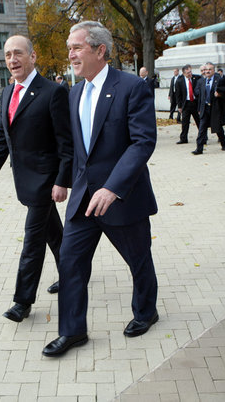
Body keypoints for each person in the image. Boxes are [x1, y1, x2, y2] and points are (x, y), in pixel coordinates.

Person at [42, 21, 159, 357]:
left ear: (100, 50)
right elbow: (76, 148)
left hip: (122, 198)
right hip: (82, 199)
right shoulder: (75, 92)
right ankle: (72, 331)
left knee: (138, 261)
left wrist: (113, 187)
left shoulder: (132, 87)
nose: (70, 54)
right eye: (69, 48)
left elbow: (142, 142)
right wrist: (63, 179)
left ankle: (146, 312)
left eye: (76, 47)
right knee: (70, 263)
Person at [0, 35, 73, 322]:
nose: (13, 60)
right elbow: (2, 137)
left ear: (32, 57)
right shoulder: (8, 93)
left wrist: (62, 180)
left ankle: (22, 301)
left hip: (46, 180)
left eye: (18, 53)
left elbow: (65, 142)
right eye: (8, 55)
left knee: (32, 241)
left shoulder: (53, 92)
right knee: (53, 232)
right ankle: (72, 272)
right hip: (24, 179)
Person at [192, 62, 225, 154]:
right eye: (206, 70)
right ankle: (199, 148)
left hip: (215, 108)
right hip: (205, 108)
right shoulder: (201, 81)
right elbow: (200, 97)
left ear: (213, 70)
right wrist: (199, 109)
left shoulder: (219, 80)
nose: (207, 71)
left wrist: (220, 94)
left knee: (218, 128)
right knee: (201, 129)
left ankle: (223, 143)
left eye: (210, 69)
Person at [175, 64, 201, 144]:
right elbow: (178, 95)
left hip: (195, 103)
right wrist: (179, 106)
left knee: (199, 122)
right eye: (187, 73)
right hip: (186, 104)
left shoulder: (197, 78)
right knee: (185, 122)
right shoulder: (179, 81)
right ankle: (183, 138)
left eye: (190, 72)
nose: (189, 74)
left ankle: (203, 137)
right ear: (183, 73)